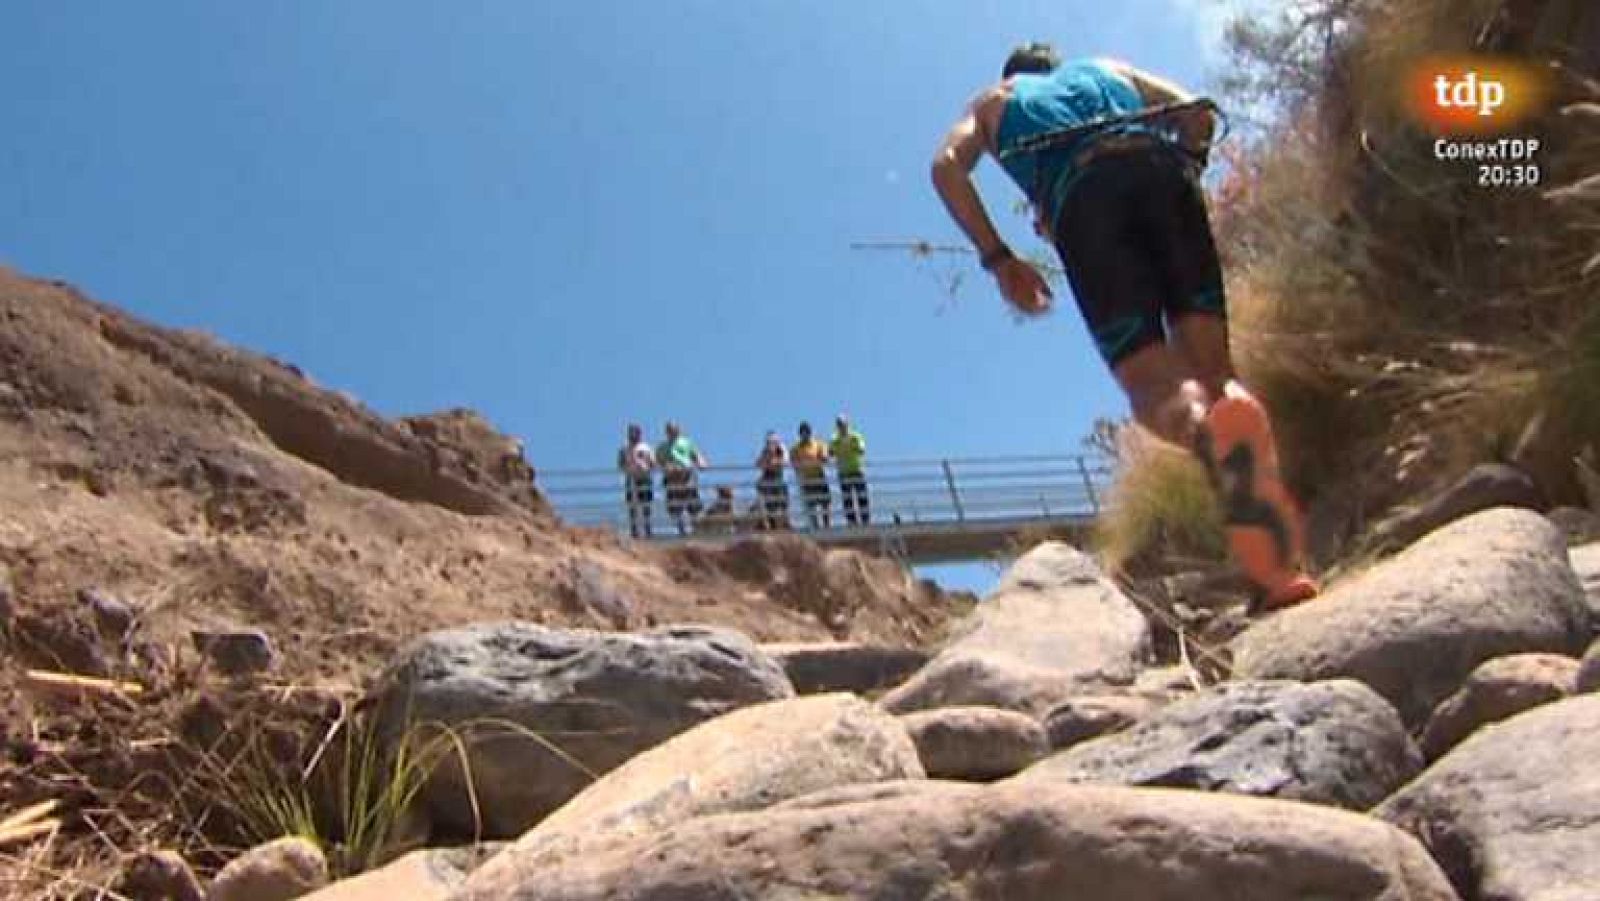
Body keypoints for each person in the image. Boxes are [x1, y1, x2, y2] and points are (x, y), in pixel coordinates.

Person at [930, 44, 1317, 608]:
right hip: (1161, 173)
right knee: (1216, 373)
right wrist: (1188, 171)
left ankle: (1209, 438)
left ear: (1013, 76)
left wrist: (999, 259)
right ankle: (1275, 564)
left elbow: (945, 167)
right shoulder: (1109, 69)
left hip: (1085, 200)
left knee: (1151, 381)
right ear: (1056, 67)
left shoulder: (994, 101)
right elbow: (1196, 112)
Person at [656, 421, 707, 536]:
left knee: (693, 504)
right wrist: (665, 467)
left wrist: (701, 462)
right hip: (672, 478)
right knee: (675, 507)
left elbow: (696, 454)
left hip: (686, 476)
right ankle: (681, 530)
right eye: (669, 430)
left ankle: (696, 530)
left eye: (674, 429)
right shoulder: (662, 447)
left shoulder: (686, 442)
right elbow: (658, 462)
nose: (672, 432)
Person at [616, 423, 656, 538]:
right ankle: (634, 530)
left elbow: (653, 462)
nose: (633, 435)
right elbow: (620, 464)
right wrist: (628, 469)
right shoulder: (624, 449)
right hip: (631, 478)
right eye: (631, 432)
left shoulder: (646, 447)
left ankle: (648, 529)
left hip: (645, 477)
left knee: (646, 504)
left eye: (635, 432)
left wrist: (645, 466)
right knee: (632, 505)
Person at [791, 422, 833, 530]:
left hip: (819, 476)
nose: (805, 434)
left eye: (807, 432)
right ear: (800, 434)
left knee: (825, 502)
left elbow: (824, 457)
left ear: (810, 432)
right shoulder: (795, 448)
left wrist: (823, 457)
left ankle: (826, 526)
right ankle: (816, 526)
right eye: (803, 432)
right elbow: (794, 463)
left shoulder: (818, 444)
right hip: (807, 479)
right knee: (811, 504)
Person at [830, 414, 870, 526]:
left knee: (862, 497)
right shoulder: (835, 439)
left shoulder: (855, 436)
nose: (841, 426)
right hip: (843, 472)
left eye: (842, 424)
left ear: (847, 424)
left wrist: (848, 446)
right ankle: (851, 522)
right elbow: (831, 452)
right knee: (847, 499)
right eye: (839, 424)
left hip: (856, 470)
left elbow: (862, 450)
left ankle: (865, 521)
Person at [754, 431, 791, 531]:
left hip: (778, 478)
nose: (771, 444)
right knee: (769, 504)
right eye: (769, 442)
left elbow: (785, 461)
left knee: (783, 502)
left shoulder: (781, 449)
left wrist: (773, 462)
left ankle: (785, 523)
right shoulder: (765, 451)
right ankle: (771, 524)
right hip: (768, 479)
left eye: (773, 441)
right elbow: (759, 464)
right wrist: (769, 460)